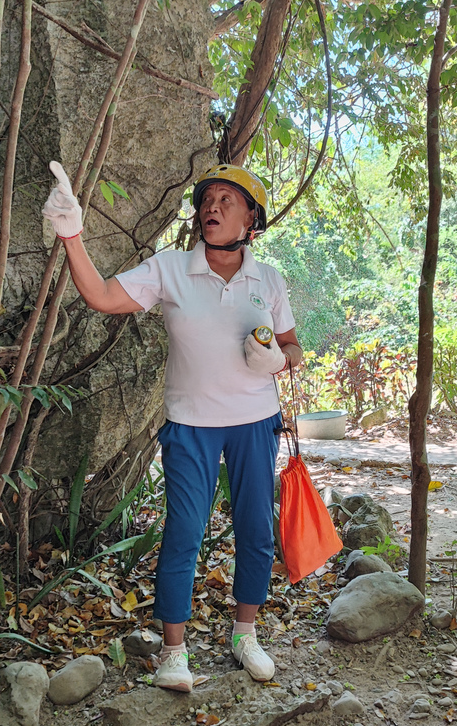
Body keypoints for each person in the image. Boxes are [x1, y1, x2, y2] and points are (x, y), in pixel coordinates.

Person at [43, 161, 302, 692]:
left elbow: (293, 345)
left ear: (251, 219)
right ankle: (174, 652)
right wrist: (71, 234)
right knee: (183, 534)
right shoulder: (171, 269)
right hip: (191, 425)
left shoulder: (268, 280)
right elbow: (101, 295)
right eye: (208, 198)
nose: (213, 206)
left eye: (228, 200)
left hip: (255, 423)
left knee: (255, 531)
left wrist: (276, 356)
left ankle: (244, 634)